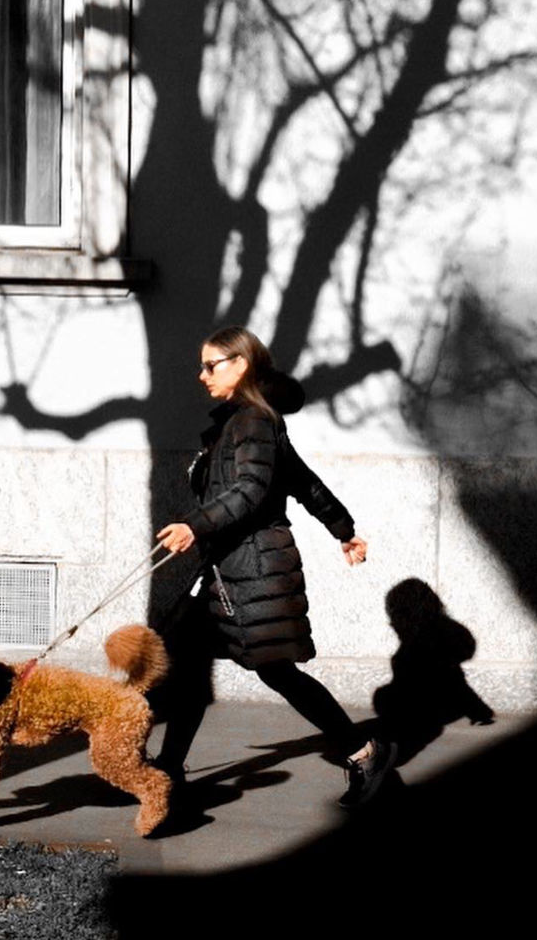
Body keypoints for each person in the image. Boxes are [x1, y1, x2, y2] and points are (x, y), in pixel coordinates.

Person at [156, 324, 397, 808]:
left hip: (256, 569)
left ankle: (364, 751)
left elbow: (250, 490)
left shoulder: (253, 421)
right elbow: (302, 481)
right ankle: (167, 770)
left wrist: (195, 526)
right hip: (229, 568)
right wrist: (343, 528)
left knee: (276, 670)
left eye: (211, 365)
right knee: (184, 659)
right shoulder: (241, 420)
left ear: (241, 364)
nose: (201, 374)